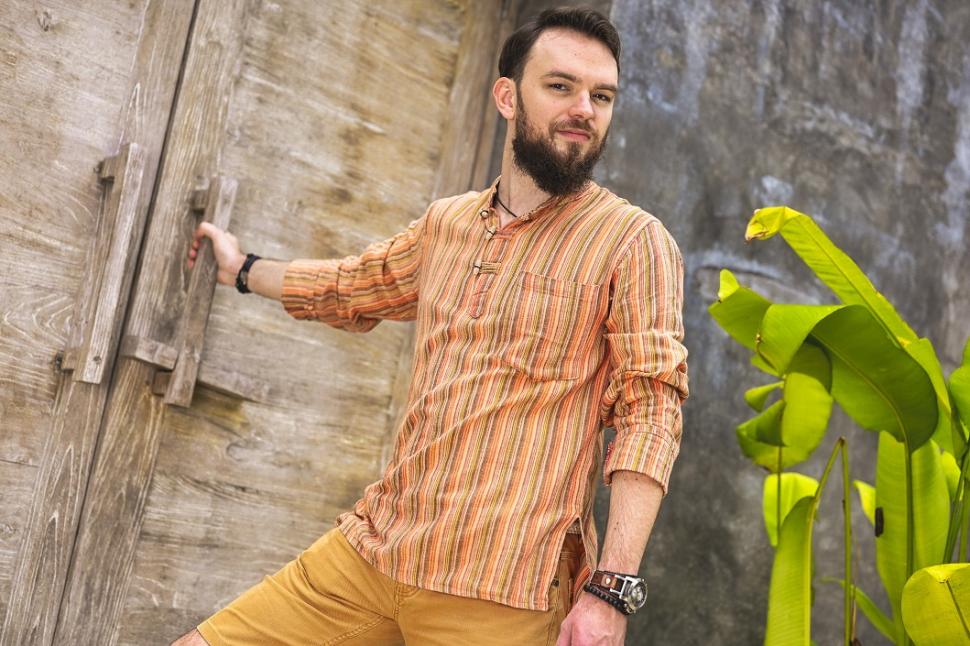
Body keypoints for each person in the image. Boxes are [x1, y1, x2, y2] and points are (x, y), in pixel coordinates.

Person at [174, 7, 687, 646]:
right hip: (377, 548)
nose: (584, 109)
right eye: (561, 86)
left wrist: (610, 590)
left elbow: (650, 413)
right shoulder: (448, 223)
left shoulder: (634, 242)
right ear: (507, 97)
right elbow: (353, 284)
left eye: (601, 96)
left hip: (502, 589)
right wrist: (244, 270)